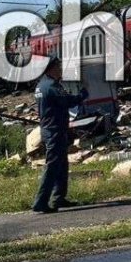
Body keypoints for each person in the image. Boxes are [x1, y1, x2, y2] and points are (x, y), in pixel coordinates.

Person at [33, 57, 87, 214]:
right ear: (51, 68)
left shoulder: (41, 85)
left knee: (62, 165)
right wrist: (83, 93)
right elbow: (68, 101)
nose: (61, 69)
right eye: (58, 66)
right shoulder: (52, 86)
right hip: (55, 130)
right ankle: (41, 202)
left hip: (51, 129)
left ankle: (58, 197)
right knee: (52, 166)